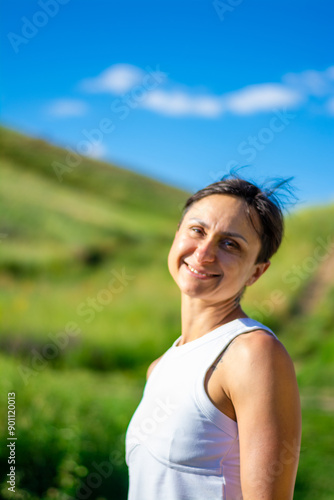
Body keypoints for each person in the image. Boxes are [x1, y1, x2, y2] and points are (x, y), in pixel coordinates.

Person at [125, 176, 301, 500]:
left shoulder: (253, 354)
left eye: (230, 244)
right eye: (197, 230)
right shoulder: (160, 366)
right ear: (177, 233)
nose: (204, 253)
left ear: (256, 272)